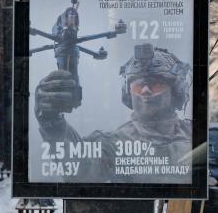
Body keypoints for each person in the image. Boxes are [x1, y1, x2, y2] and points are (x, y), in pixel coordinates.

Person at [34, 43, 192, 183]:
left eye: (156, 83)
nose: (145, 91)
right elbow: (82, 168)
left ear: (176, 91)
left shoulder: (194, 133)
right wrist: (52, 123)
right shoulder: (115, 144)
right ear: (127, 93)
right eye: (138, 84)